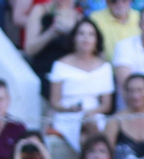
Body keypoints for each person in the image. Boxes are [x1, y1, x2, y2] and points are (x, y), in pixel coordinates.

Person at [49, 18, 115, 152]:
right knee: (87, 126)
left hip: (94, 114)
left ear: (96, 40)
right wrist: (70, 109)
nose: (86, 38)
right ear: (74, 38)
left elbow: (106, 105)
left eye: (91, 34)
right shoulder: (60, 65)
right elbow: (54, 101)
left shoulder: (104, 67)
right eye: (81, 33)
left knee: (89, 125)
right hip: (67, 115)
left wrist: (90, 112)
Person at [24, 0, 82, 80]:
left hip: (69, 74)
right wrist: (52, 32)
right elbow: (30, 49)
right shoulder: (40, 11)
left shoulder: (78, 17)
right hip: (43, 71)